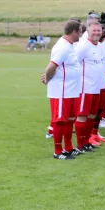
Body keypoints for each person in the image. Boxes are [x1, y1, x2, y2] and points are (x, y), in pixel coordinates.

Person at [40, 20, 82, 159]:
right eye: (80, 31)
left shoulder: (69, 46)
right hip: (61, 91)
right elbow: (51, 66)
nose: (81, 34)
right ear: (74, 32)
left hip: (70, 90)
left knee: (70, 119)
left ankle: (68, 148)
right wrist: (47, 78)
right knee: (60, 120)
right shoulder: (63, 47)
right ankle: (57, 151)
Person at [73, 21, 104, 153]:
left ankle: (86, 142)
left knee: (92, 115)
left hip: (96, 87)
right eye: (94, 31)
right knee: (82, 116)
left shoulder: (99, 46)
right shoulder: (83, 46)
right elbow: (74, 63)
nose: (96, 33)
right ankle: (80, 145)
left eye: (98, 30)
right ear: (88, 32)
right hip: (85, 88)